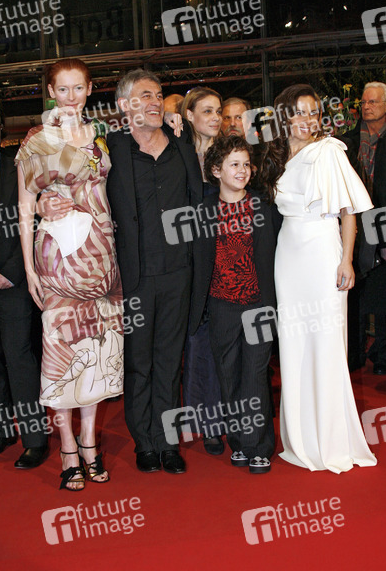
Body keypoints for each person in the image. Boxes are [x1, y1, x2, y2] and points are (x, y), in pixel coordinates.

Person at [17, 58, 124, 490]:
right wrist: (28, 268)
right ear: (50, 92)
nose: (71, 97)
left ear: (90, 89)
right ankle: (66, 447)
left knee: (97, 353)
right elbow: (25, 207)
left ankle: (89, 442)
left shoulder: (100, 136)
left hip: (103, 261)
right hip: (58, 261)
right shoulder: (36, 139)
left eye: (78, 88)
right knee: (61, 353)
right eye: (62, 89)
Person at [258, 83, 377, 473]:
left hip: (324, 251)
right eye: (299, 112)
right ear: (284, 117)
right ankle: (301, 438)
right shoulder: (275, 155)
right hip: (288, 254)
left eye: (314, 112)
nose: (308, 120)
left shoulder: (328, 151)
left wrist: (346, 260)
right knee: (294, 342)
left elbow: (348, 212)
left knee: (326, 341)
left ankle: (331, 440)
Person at [106, 69, 203, 474]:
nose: (155, 101)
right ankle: (143, 441)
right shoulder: (112, 149)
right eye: (145, 95)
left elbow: (198, 202)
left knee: (169, 360)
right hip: (136, 276)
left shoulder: (181, 146)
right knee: (138, 362)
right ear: (124, 104)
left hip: (179, 272)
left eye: (159, 95)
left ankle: (168, 442)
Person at [190, 135, 279, 472]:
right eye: (234, 164)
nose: (243, 171)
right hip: (221, 305)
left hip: (258, 305)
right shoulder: (204, 211)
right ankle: (239, 442)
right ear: (216, 170)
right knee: (228, 376)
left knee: (255, 375)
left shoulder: (263, 208)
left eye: (246, 164)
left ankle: (259, 447)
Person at [0, 102, 48, 467]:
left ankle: (35, 439)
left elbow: (34, 223)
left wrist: (11, 272)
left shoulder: (19, 168)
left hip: (13, 282)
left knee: (20, 360)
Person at [181, 86, 225, 454]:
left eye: (218, 111)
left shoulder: (229, 153)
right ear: (189, 115)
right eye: (207, 111)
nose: (215, 117)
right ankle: (201, 418)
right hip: (188, 258)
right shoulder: (176, 152)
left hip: (226, 254)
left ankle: (217, 421)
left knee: (221, 338)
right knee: (196, 337)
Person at [340, 82, 386, 375]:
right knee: (353, 288)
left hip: (384, 220)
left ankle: (383, 354)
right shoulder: (346, 142)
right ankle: (353, 353)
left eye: (373, 102)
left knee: (384, 289)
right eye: (364, 102)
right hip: (353, 222)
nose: (367, 106)